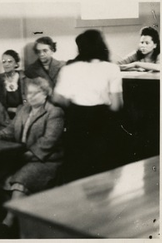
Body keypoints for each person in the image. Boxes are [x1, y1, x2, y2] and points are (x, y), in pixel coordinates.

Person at [0, 77, 64, 237]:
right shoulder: (23, 109)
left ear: (45, 93)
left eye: (33, 93)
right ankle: (19, 223)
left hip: (45, 160)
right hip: (23, 157)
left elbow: (48, 141)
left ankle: (7, 223)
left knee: (21, 179)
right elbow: (10, 130)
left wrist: (28, 155)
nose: (29, 97)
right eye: (27, 93)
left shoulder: (54, 112)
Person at [52, 29, 124, 184]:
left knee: (78, 171)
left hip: (78, 121)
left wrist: (74, 103)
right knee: (102, 171)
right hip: (103, 122)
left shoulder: (69, 69)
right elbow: (117, 105)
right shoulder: (112, 68)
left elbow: (57, 98)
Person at [0, 50, 27, 119]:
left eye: (10, 61)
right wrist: (12, 110)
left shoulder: (26, 80)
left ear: (16, 64)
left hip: (23, 118)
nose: (6, 64)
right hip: (3, 118)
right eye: (4, 62)